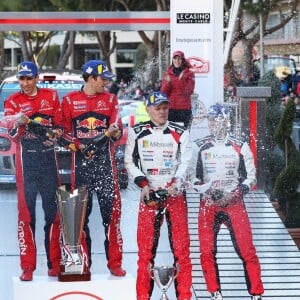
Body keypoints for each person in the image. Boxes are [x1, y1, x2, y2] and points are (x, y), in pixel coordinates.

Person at [192, 104, 264, 300]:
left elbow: (251, 178)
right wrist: (209, 190)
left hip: (234, 203)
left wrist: (236, 193)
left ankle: (256, 294)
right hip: (209, 205)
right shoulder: (199, 146)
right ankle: (215, 293)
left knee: (247, 250)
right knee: (207, 252)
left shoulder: (240, 146)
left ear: (227, 121)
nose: (215, 124)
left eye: (219, 119)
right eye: (212, 120)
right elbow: (193, 178)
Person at [60, 59, 126, 277]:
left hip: (105, 167)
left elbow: (117, 129)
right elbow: (61, 131)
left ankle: (114, 264)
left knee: (112, 217)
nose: (106, 83)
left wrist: (115, 130)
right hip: (81, 168)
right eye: (103, 78)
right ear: (91, 78)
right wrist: (76, 144)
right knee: (79, 219)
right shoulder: (69, 100)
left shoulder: (110, 100)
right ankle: (83, 264)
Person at [125, 91, 193, 300]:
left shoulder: (180, 131)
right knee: (145, 254)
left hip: (174, 197)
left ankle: (184, 297)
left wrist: (177, 182)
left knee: (182, 253)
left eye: (165, 107)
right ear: (148, 109)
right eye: (158, 108)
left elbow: (186, 162)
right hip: (150, 198)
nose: (162, 111)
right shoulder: (137, 131)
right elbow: (130, 162)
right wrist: (143, 184)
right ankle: (143, 297)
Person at [4, 61, 62, 281]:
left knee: (53, 214)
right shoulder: (12, 102)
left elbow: (60, 125)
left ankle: (54, 264)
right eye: (22, 79)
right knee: (26, 217)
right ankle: (28, 267)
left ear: (37, 78)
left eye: (30, 78)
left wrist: (55, 134)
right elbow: (13, 136)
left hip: (49, 162)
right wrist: (18, 124)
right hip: (26, 163)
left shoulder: (51, 96)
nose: (26, 83)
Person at [161, 50, 195, 129]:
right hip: (170, 110)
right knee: (170, 137)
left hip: (184, 110)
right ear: (172, 60)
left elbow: (189, 92)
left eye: (179, 59)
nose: (177, 61)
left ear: (183, 60)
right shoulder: (168, 74)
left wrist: (181, 81)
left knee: (183, 137)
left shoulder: (189, 74)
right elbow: (163, 93)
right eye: (175, 58)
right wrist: (168, 83)